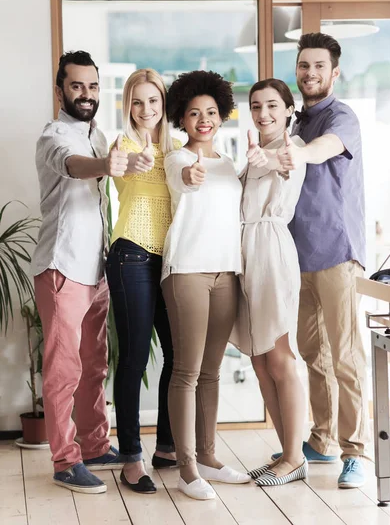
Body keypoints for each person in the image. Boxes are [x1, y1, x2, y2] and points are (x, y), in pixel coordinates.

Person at [276, 32, 369, 489]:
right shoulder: (295, 122)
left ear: (334, 73)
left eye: (318, 66)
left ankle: (356, 452)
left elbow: (326, 148)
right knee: (315, 353)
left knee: (346, 355)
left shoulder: (341, 117)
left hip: (336, 253)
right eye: (303, 66)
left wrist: (298, 153)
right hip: (299, 256)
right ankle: (323, 438)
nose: (309, 73)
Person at [32, 50, 128, 494]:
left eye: (92, 86)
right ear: (60, 91)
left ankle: (93, 445)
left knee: (94, 365)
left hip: (96, 268)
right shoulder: (53, 136)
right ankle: (65, 461)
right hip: (61, 268)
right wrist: (106, 165)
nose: (86, 95)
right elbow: (73, 166)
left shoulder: (98, 133)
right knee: (63, 369)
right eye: (77, 86)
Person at [161, 70, 251, 501]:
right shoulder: (178, 159)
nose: (204, 120)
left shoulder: (230, 164)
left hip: (226, 272)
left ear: (222, 114)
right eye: (194, 113)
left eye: (211, 112)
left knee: (212, 372)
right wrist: (192, 176)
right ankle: (186, 467)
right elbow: (185, 179)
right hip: (188, 271)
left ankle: (210, 457)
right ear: (182, 116)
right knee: (187, 371)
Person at [230, 78, 307, 487]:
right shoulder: (254, 156)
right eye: (256, 106)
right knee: (259, 362)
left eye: (273, 105)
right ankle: (286, 454)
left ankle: (295, 457)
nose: (263, 113)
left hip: (272, 251)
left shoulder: (291, 152)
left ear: (289, 110)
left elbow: (287, 167)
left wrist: (270, 161)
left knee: (280, 357)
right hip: (246, 253)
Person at [106, 68, 179, 494]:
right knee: (133, 358)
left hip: (171, 260)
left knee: (176, 354)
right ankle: (131, 458)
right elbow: (122, 172)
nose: (146, 109)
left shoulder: (178, 148)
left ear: (163, 102)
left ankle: (167, 446)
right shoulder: (123, 147)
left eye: (153, 100)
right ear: (128, 105)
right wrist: (133, 162)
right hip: (131, 254)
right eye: (137, 101)